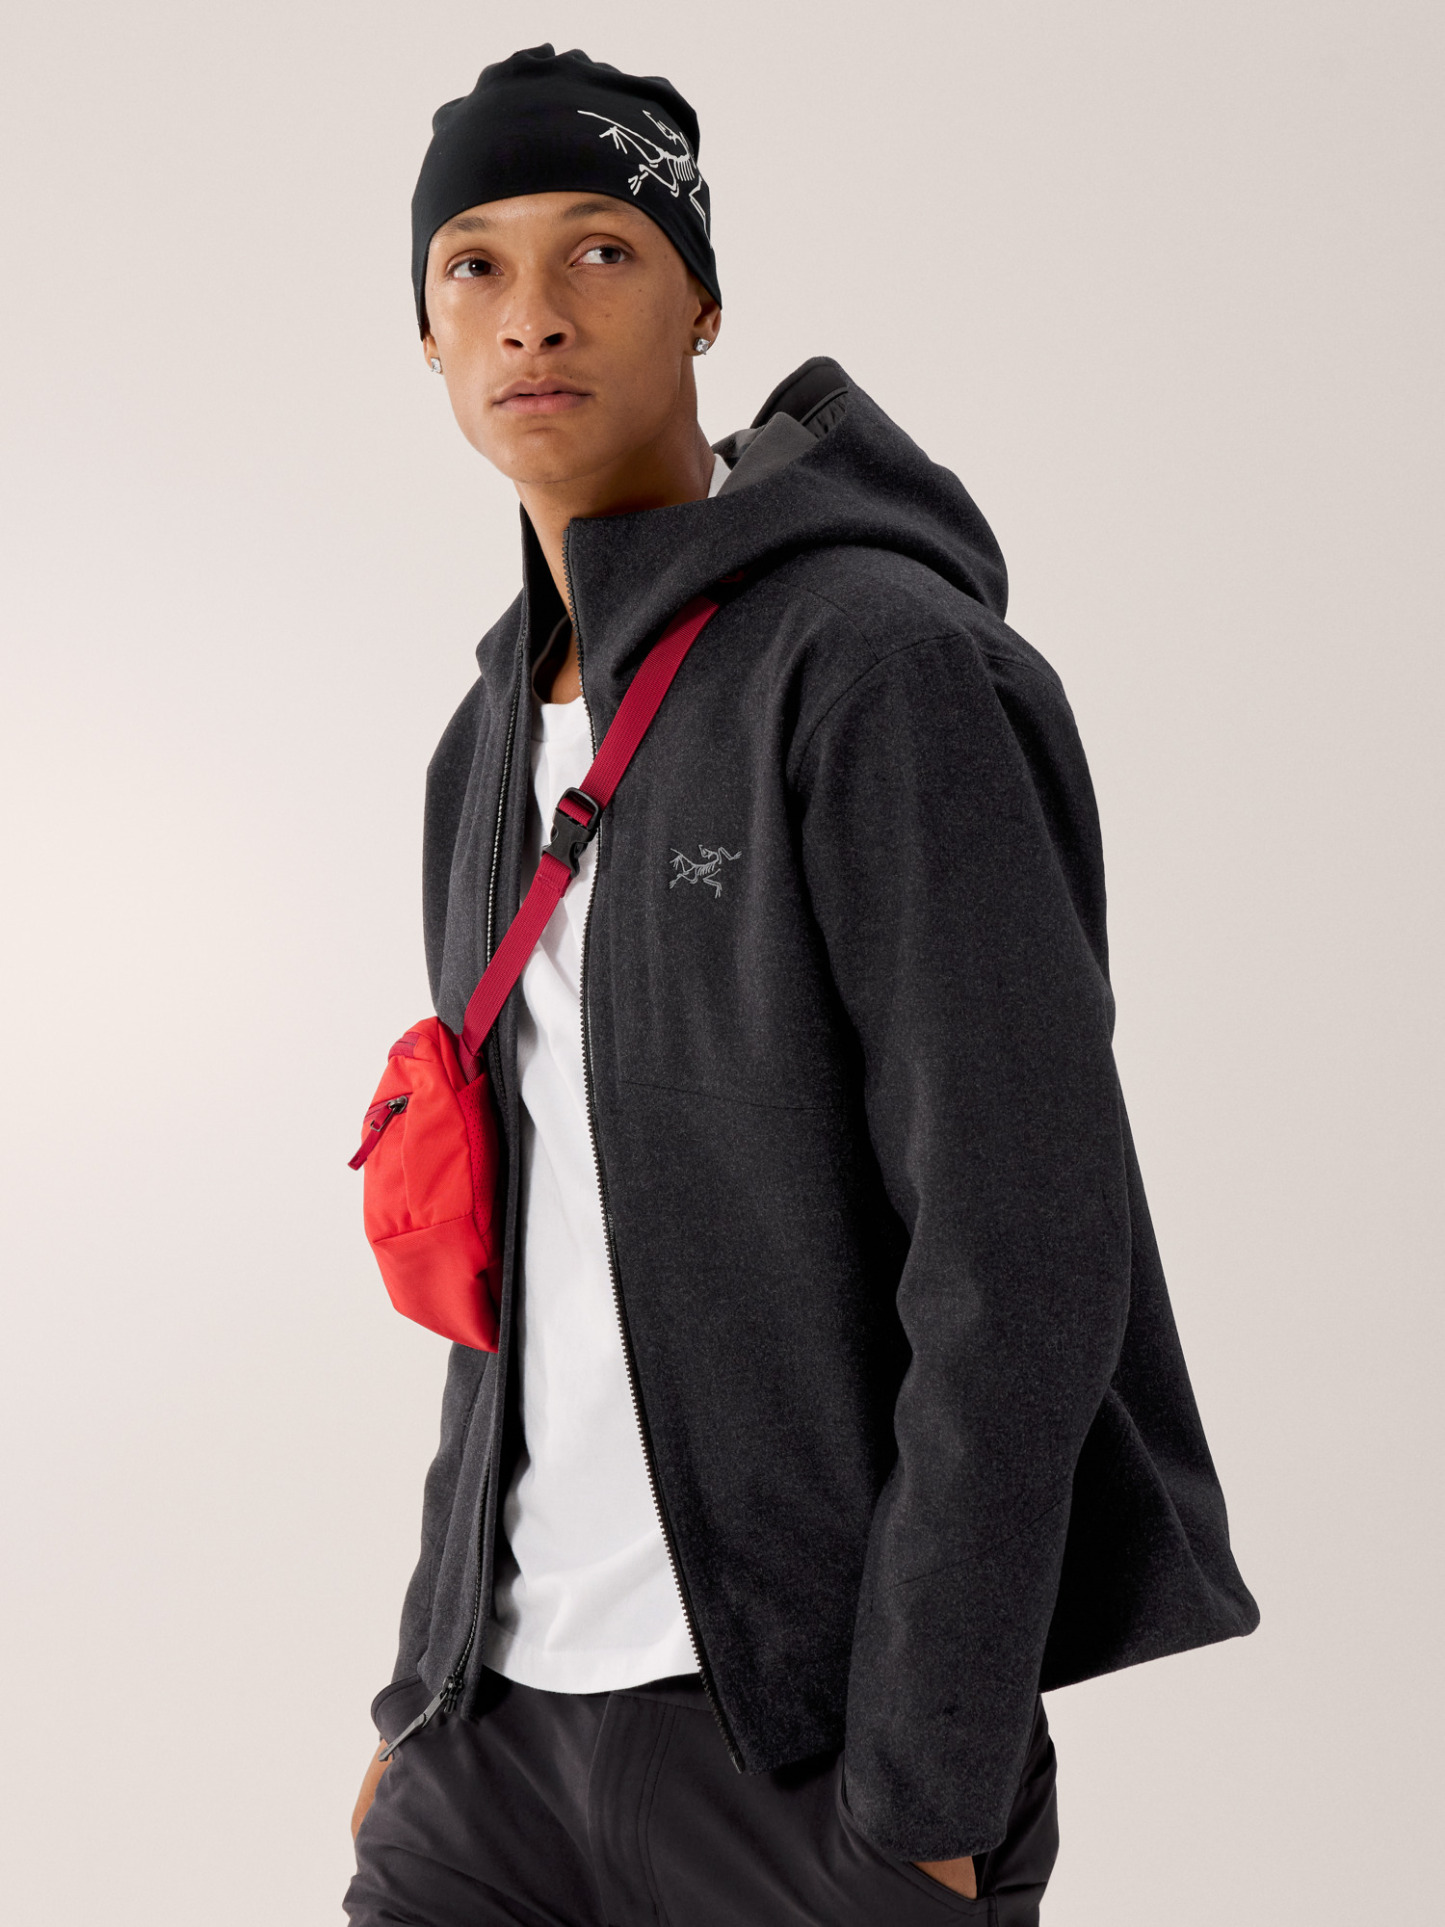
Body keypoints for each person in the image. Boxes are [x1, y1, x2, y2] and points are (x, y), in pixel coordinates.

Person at [344, 44, 1258, 1927]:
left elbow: (1020, 1245)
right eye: (473, 266)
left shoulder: (875, 669)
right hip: (491, 1752)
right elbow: (515, 1266)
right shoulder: (480, 747)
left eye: (600, 251)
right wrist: (422, 1685)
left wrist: (924, 1772)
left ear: (701, 305)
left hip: (803, 1751)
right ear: (425, 337)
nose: (531, 314)